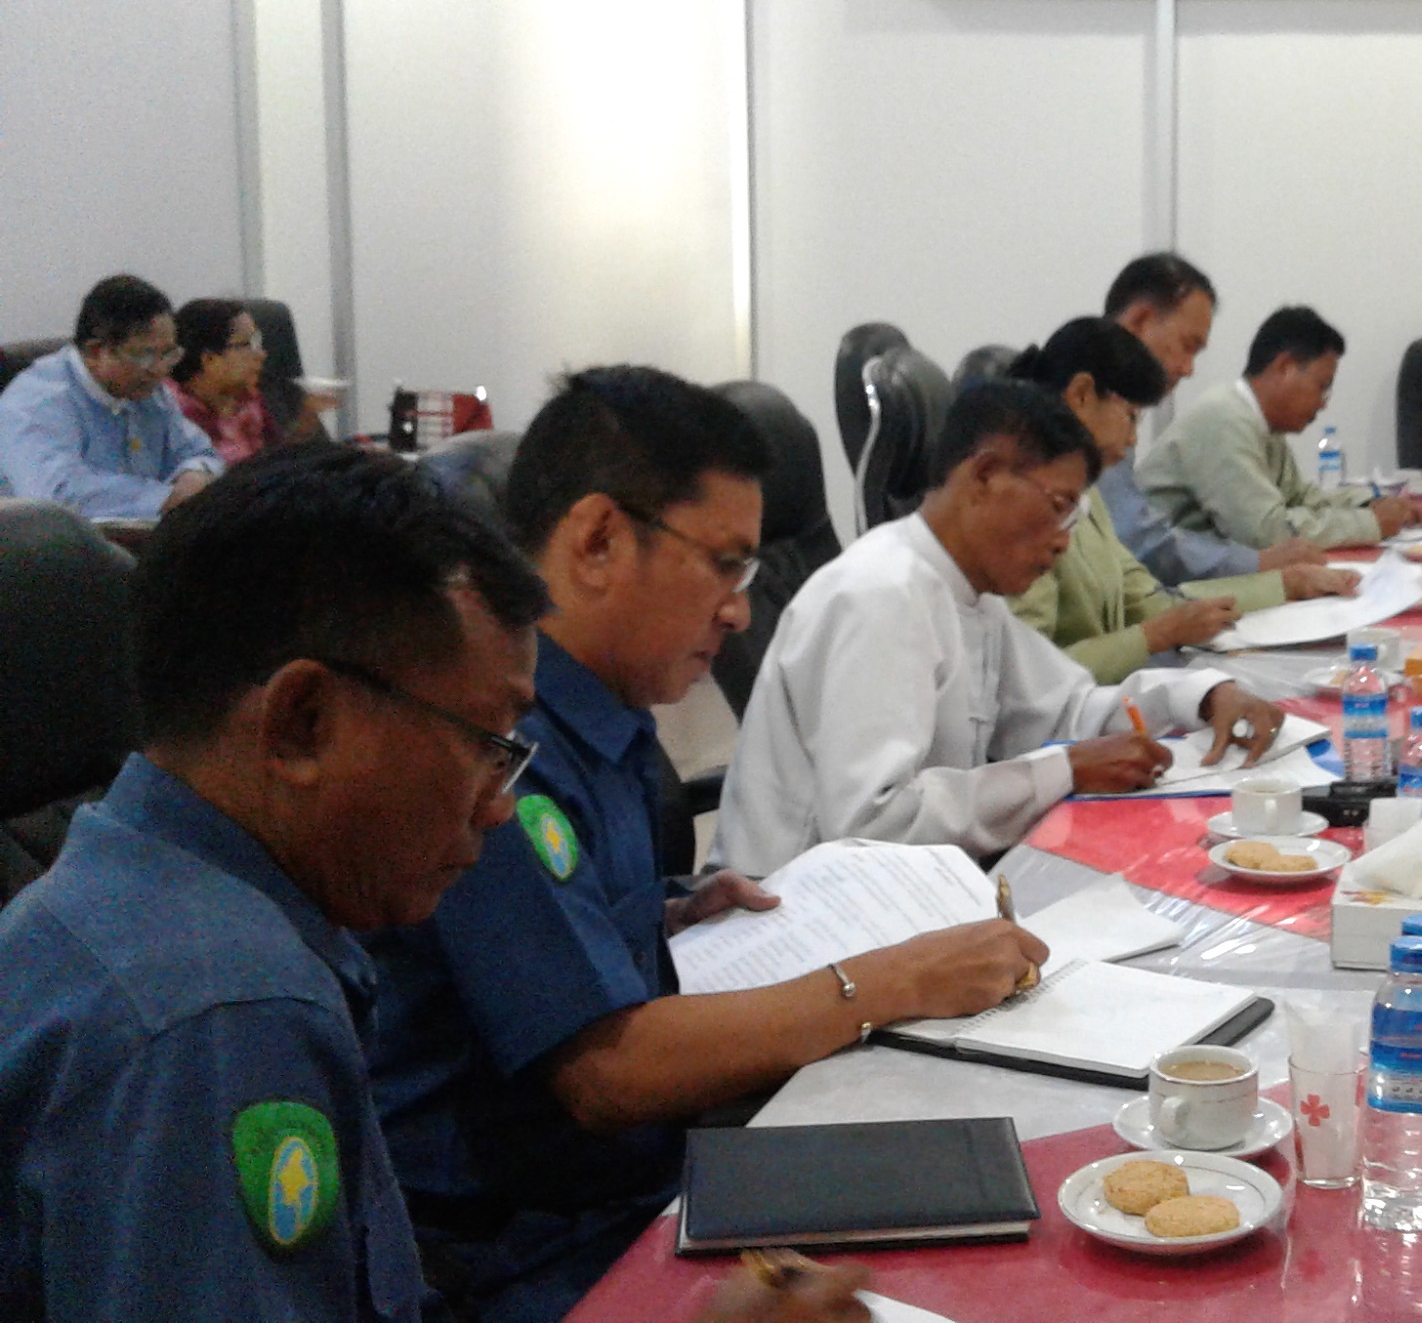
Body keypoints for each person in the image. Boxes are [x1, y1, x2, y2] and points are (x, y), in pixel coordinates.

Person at [0, 445, 862, 1322]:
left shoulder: (134, 884)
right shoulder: (223, 1017)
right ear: (303, 722)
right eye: (486, 746)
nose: (499, 806)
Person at [360, 368, 1039, 1323]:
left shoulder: (608, 710)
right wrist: (894, 979)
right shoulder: (502, 740)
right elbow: (607, 1074)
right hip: (527, 1252)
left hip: (639, 1180)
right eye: (724, 565)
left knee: (992, 1193)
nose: (738, 610)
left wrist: (664, 909)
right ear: (598, 539)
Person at [712, 379, 1287, 872]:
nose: (1063, 541)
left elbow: (1066, 709)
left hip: (902, 889)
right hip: (799, 906)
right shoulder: (880, 593)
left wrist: (1202, 695)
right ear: (985, 475)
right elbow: (872, 824)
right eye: (1058, 507)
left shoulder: (970, 593)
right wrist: (1062, 769)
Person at [1007, 316, 1354, 682]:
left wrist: (1284, 585)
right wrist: (1153, 636)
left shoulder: (1087, 493)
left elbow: (1150, 600)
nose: (1132, 440)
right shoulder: (1026, 504)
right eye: (1131, 417)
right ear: (1081, 395)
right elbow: (1026, 676)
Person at [1097, 253, 1333, 586]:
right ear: (1141, 320)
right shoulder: (1092, 407)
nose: (1188, 369)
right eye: (1187, 346)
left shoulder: (1120, 406)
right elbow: (1141, 545)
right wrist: (1258, 564)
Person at [1135, 305, 1419, 550]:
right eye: (1321, 386)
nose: (1324, 403)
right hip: (1159, 579)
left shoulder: (1261, 424)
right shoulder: (1224, 419)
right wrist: (1369, 524)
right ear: (1285, 367)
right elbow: (1266, 533)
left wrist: (1370, 503)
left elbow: (1299, 499)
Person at [0, 273, 221, 517]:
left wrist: (195, 474)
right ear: (96, 352)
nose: (159, 370)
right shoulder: (36, 402)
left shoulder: (147, 390)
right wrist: (165, 498)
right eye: (146, 356)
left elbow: (200, 452)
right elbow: (57, 496)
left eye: (168, 354)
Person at [169, 297, 275, 465]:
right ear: (209, 359)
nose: (261, 355)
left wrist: (305, 426)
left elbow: (281, 461)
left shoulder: (247, 399)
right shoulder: (171, 415)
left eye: (257, 342)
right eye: (246, 345)